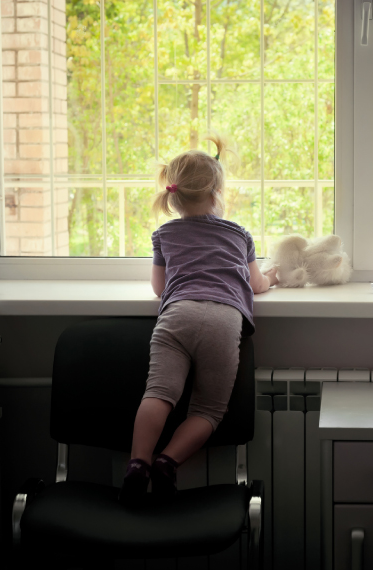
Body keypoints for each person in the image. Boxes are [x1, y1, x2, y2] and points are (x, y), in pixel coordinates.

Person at [120, 134, 277, 505]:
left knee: (159, 393)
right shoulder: (238, 234)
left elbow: (160, 288)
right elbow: (256, 285)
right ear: (217, 192)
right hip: (223, 321)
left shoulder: (164, 234)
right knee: (208, 409)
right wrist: (273, 278)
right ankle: (168, 460)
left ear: (173, 194)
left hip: (176, 317)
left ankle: (137, 463)